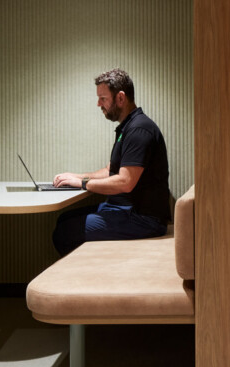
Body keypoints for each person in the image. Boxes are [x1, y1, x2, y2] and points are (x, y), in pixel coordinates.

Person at [50, 68, 173, 256]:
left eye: (103, 98)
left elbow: (125, 182)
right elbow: (111, 170)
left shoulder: (140, 130)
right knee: (64, 218)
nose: (99, 104)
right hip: (124, 209)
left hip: (143, 219)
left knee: (64, 232)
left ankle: (84, 280)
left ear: (120, 98)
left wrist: (83, 184)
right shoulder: (127, 127)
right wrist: (75, 176)